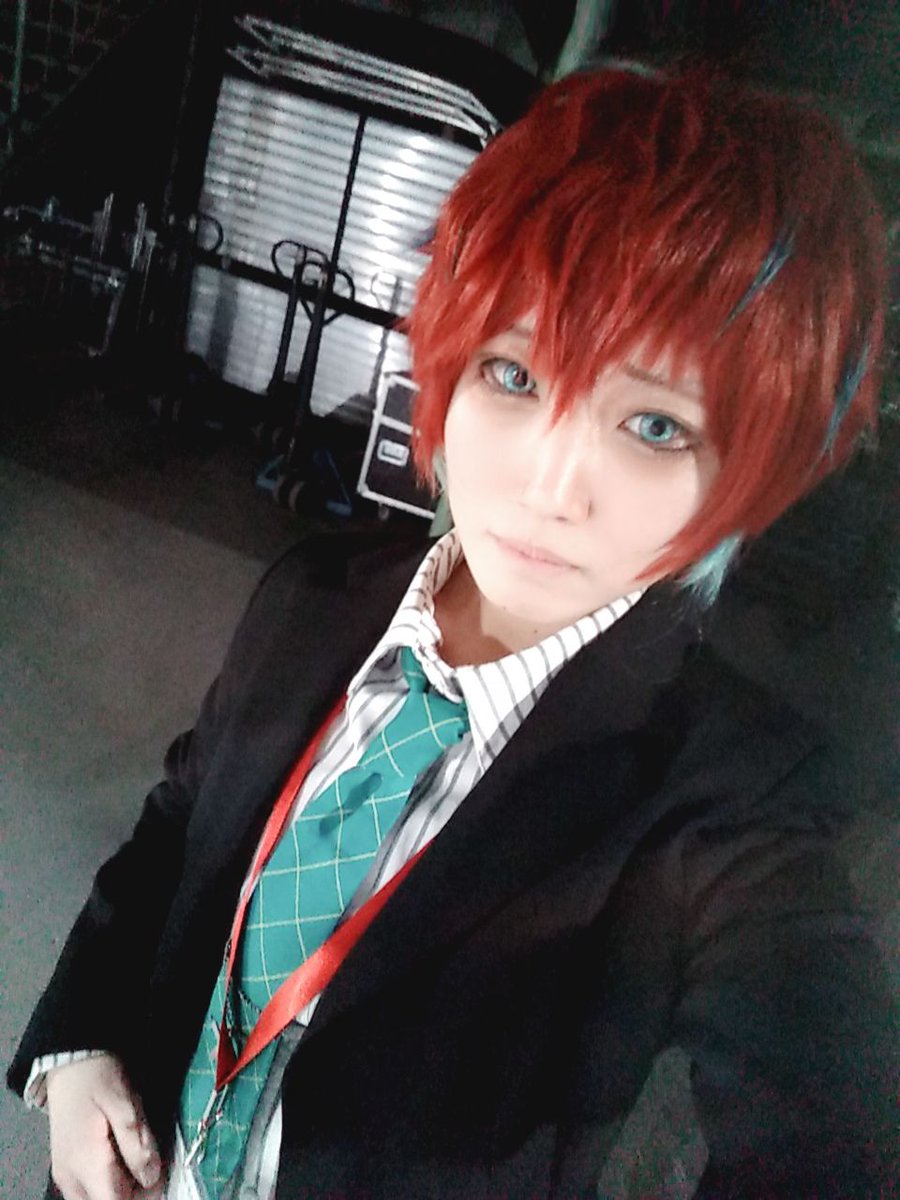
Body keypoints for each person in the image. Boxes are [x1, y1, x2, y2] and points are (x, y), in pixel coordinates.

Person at [9, 66, 896, 1200]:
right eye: (514, 373)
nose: (550, 485)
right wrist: (77, 1041)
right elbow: (183, 817)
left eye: (654, 425)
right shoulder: (316, 597)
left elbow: (825, 1113)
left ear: (750, 468)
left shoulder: (731, 802)